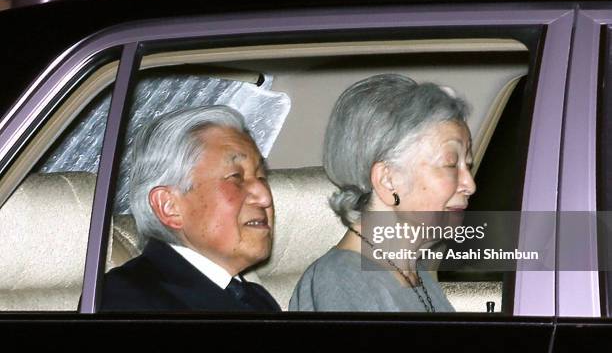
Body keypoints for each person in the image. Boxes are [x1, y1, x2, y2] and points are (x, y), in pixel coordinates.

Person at [289, 74, 476, 312]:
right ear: (388, 181)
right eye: (451, 164)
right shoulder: (343, 284)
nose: (470, 185)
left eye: (467, 165)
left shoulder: (415, 274)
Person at [101, 105, 280, 312]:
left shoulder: (258, 299)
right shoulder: (127, 300)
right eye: (235, 177)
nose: (265, 196)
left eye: (261, 177)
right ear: (169, 206)